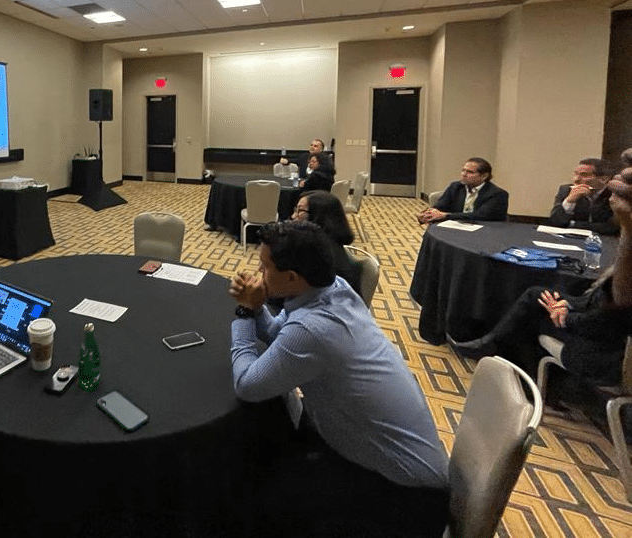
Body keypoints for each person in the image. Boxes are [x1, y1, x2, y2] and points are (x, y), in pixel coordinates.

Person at [228, 220, 449, 537]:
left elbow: (247, 386)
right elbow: (280, 333)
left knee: (257, 499)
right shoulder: (335, 289)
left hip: (404, 498)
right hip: (393, 462)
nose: (258, 272)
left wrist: (245, 313)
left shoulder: (312, 329)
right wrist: (258, 305)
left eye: (264, 267)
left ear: (292, 277)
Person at [449, 172, 632, 385]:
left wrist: (564, 314)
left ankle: (528, 378)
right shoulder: (569, 191)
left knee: (530, 315)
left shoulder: (625, 277)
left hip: (600, 350)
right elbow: (557, 220)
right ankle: (491, 348)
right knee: (536, 294)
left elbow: (609, 320)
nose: (612, 196)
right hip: (593, 319)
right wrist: (570, 303)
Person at [291, 191, 361, 293]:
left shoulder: (319, 254)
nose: (293, 216)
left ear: (319, 215)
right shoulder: (327, 243)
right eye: (295, 210)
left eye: (300, 211)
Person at [417, 157, 508, 223]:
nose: (464, 174)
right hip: (456, 227)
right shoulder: (456, 187)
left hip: (484, 232)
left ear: (484, 176)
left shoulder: (497, 194)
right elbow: (441, 205)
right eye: (463, 170)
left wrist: (446, 215)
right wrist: (426, 214)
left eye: (470, 172)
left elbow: (480, 215)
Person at [547, 158, 618, 235]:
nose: (576, 179)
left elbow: (611, 228)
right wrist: (569, 201)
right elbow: (555, 223)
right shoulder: (566, 190)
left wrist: (572, 224)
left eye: (584, 175)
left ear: (604, 179)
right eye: (576, 174)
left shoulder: (615, 194)